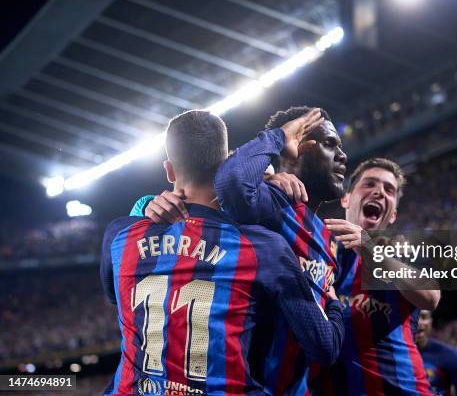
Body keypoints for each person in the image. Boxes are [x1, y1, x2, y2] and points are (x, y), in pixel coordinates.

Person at [101, 110, 344, 395]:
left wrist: (144, 210)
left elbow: (115, 294)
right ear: (227, 165)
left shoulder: (119, 235)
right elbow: (325, 348)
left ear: (169, 171)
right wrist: (333, 302)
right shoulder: (263, 246)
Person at [306, 157, 439, 395]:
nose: (379, 192)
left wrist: (370, 250)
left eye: (389, 190)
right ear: (346, 198)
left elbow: (430, 297)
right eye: (369, 184)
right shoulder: (316, 252)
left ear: (393, 215)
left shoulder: (403, 252)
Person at [416, 310, 457, 396]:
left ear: (431, 321)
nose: (418, 322)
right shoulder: (390, 353)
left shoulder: (449, 355)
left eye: (424, 316)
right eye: (413, 316)